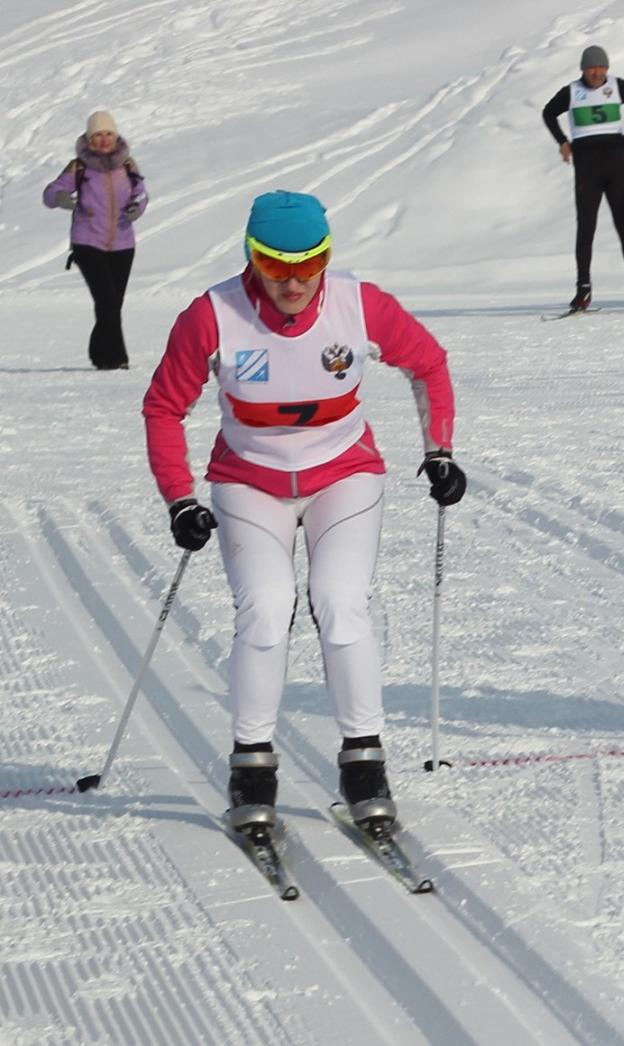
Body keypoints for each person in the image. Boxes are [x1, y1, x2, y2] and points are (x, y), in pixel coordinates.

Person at [141, 191, 464, 837]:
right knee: (264, 605)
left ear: (327, 256)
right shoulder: (212, 315)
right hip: (249, 480)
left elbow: (428, 364)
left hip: (344, 474)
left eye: (309, 262)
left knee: (340, 600)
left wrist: (440, 451)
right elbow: (163, 408)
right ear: (251, 256)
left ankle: (364, 766)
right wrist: (179, 498)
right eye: (274, 264)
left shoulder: (358, 302)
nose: (293, 280)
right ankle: (252, 769)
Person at [541, 45, 624, 312]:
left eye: (601, 68)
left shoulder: (617, 85)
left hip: (615, 162)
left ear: (607, 69)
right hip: (587, 166)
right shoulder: (572, 91)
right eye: (591, 68)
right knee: (586, 227)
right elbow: (548, 113)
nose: (597, 73)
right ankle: (583, 289)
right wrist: (562, 142)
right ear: (583, 69)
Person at [44, 110, 148, 370]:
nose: (104, 140)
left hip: (123, 243)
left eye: (108, 134)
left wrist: (138, 207)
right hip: (87, 241)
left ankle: (99, 352)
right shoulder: (79, 166)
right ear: (89, 139)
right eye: (98, 135)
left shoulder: (128, 164)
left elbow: (142, 194)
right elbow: (51, 193)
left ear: (116, 136)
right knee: (107, 302)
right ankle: (116, 360)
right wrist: (61, 199)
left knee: (113, 303)